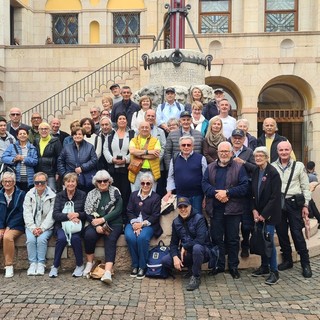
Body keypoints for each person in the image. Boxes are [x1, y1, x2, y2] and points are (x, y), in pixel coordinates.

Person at [202, 141, 249, 279]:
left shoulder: (239, 168)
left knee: (233, 239)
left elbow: (244, 186)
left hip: (233, 210)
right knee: (217, 238)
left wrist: (227, 193)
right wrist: (218, 193)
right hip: (215, 209)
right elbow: (204, 184)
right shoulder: (210, 167)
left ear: (231, 153)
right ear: (217, 153)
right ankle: (219, 265)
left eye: (226, 151)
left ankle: (233, 266)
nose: (224, 154)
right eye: (221, 151)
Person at [272, 141, 312, 278]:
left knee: (296, 233)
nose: (284, 152)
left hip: (294, 203)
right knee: (282, 232)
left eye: (286, 150)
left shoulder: (299, 166)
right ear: (277, 151)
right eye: (281, 150)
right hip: (278, 204)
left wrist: (306, 205)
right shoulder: (272, 167)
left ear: (290, 150)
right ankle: (288, 260)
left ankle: (305, 263)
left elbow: (305, 187)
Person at [162, 197, 211, 291]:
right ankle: (190, 268)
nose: (183, 209)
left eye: (185, 206)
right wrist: (175, 257)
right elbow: (173, 244)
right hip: (186, 253)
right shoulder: (176, 222)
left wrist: (185, 246)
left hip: (203, 251)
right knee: (165, 261)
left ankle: (196, 276)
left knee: (197, 248)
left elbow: (201, 240)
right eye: (180, 207)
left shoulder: (199, 218)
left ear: (190, 207)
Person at [83, 170, 123, 284]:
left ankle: (107, 272)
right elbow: (87, 212)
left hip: (113, 222)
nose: (102, 183)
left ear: (109, 181)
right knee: (89, 235)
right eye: (99, 181)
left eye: (105, 181)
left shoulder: (115, 191)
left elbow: (118, 209)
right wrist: (96, 225)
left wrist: (103, 220)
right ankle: (89, 264)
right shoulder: (91, 194)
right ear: (96, 182)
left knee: (110, 239)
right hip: (95, 222)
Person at [251, 147, 282, 285]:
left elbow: (275, 197)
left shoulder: (273, 173)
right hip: (258, 214)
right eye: (256, 156)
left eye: (261, 155)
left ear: (267, 157)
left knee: (269, 242)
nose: (258, 158)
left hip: (269, 215)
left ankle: (274, 271)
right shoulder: (256, 171)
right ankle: (264, 267)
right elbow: (252, 193)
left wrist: (264, 214)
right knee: (262, 241)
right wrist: (254, 210)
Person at [124, 173, 162, 279]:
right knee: (130, 237)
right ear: (140, 184)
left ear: (151, 184)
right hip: (133, 223)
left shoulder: (156, 197)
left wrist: (141, 224)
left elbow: (155, 215)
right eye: (143, 183)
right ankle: (135, 265)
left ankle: (142, 266)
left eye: (148, 183)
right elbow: (129, 211)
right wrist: (135, 224)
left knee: (142, 238)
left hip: (148, 225)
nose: (145, 185)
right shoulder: (134, 195)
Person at [49, 172, 86, 278]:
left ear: (76, 183)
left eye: (73, 181)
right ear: (64, 183)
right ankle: (55, 266)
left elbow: (86, 213)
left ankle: (79, 265)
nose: (70, 184)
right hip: (61, 225)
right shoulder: (59, 195)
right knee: (61, 239)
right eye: (68, 181)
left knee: (75, 239)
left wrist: (77, 215)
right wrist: (69, 216)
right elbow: (55, 214)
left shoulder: (82, 195)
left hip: (76, 225)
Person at [23, 172, 56, 276]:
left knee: (41, 240)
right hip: (31, 226)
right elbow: (26, 212)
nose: (39, 185)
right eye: (37, 182)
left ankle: (41, 263)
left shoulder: (52, 195)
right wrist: (33, 228)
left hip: (46, 227)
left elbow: (52, 214)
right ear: (34, 183)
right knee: (31, 240)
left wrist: (42, 228)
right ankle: (32, 263)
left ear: (46, 182)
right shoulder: (29, 194)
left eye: (42, 182)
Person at [230, 128, 256, 258]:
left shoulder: (249, 152)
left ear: (244, 139)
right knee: (233, 225)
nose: (237, 140)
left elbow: (256, 168)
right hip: (231, 193)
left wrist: (243, 162)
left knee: (246, 225)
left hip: (245, 193)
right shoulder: (227, 151)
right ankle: (234, 247)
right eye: (235, 137)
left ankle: (246, 244)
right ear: (231, 139)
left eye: (239, 138)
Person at [164, 136, 207, 215]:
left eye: (188, 145)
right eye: (183, 145)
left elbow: (206, 178)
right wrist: (169, 191)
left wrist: (205, 196)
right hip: (181, 195)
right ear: (180, 147)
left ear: (193, 146)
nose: (186, 147)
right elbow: (171, 177)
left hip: (197, 196)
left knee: (197, 217)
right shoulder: (174, 159)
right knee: (183, 218)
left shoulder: (201, 158)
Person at [104, 113, 134, 220]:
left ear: (127, 121)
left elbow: (134, 149)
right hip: (114, 170)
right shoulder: (110, 135)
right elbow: (106, 149)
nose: (122, 120)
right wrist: (112, 159)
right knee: (114, 194)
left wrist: (126, 160)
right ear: (116, 121)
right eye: (120, 119)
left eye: (124, 118)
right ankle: (116, 215)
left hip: (127, 169)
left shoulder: (132, 134)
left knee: (126, 193)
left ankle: (125, 216)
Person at [0, 172, 25, 278]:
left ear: (14, 182)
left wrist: (9, 227)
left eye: (9, 181)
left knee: (7, 237)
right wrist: (1, 227)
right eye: (5, 181)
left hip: (16, 225)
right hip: (1, 225)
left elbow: (21, 213)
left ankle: (9, 266)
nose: (7, 183)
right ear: (1, 182)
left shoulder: (21, 194)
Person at [57, 127, 98, 193]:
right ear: (72, 136)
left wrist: (82, 168)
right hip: (71, 179)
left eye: (79, 134)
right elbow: (60, 161)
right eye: (75, 134)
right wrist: (64, 174)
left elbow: (94, 160)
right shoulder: (67, 148)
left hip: (86, 179)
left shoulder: (90, 147)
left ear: (83, 135)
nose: (77, 136)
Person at [2, 127, 38, 192]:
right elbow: (4, 158)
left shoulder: (32, 148)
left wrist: (23, 158)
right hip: (16, 177)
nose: (22, 135)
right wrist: (14, 159)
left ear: (27, 135)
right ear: (17, 136)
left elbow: (35, 161)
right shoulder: (12, 146)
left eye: (24, 133)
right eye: (20, 134)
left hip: (29, 178)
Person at [128, 121, 161, 192]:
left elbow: (155, 155)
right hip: (136, 172)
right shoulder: (133, 140)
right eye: (142, 127)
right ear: (139, 129)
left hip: (151, 172)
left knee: (151, 196)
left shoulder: (156, 141)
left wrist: (139, 155)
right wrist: (148, 152)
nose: (144, 129)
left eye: (147, 127)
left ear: (150, 129)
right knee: (135, 194)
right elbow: (132, 151)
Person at [34, 122, 62, 192]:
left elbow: (60, 157)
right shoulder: (36, 141)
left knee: (52, 192)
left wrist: (58, 172)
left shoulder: (55, 141)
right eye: (41, 129)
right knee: (39, 192)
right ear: (38, 131)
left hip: (51, 173)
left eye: (46, 129)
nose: (44, 131)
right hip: (38, 172)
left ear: (49, 130)